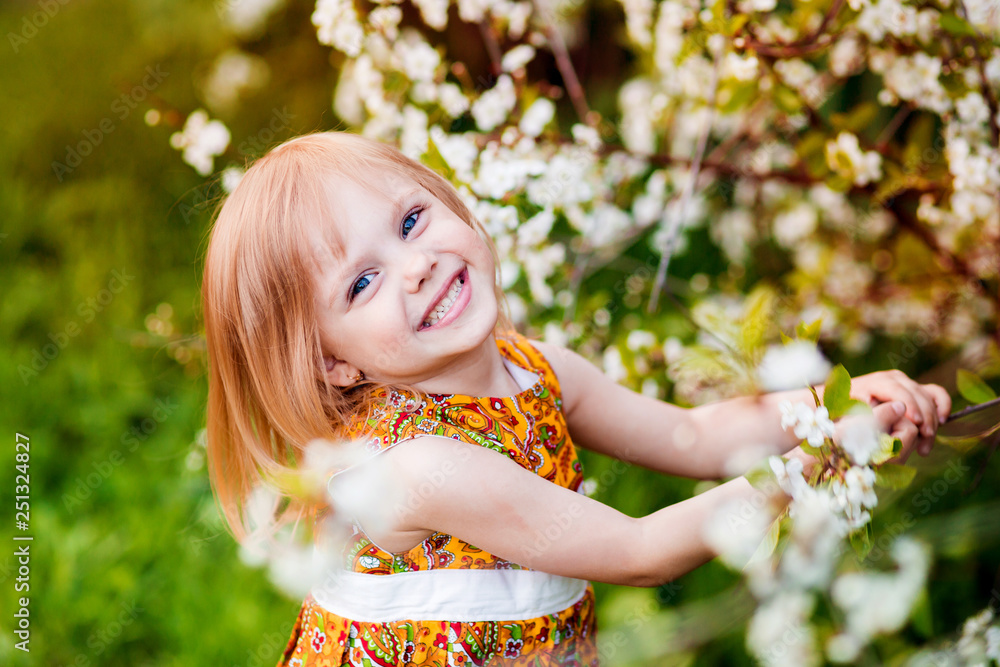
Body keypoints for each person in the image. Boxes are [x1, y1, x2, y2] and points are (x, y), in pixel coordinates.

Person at [200, 131, 951, 666]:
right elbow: (640, 551)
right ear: (333, 362)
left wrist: (831, 406)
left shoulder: (535, 370)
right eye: (361, 282)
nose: (417, 265)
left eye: (411, 220)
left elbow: (694, 436)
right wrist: (808, 469)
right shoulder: (421, 465)